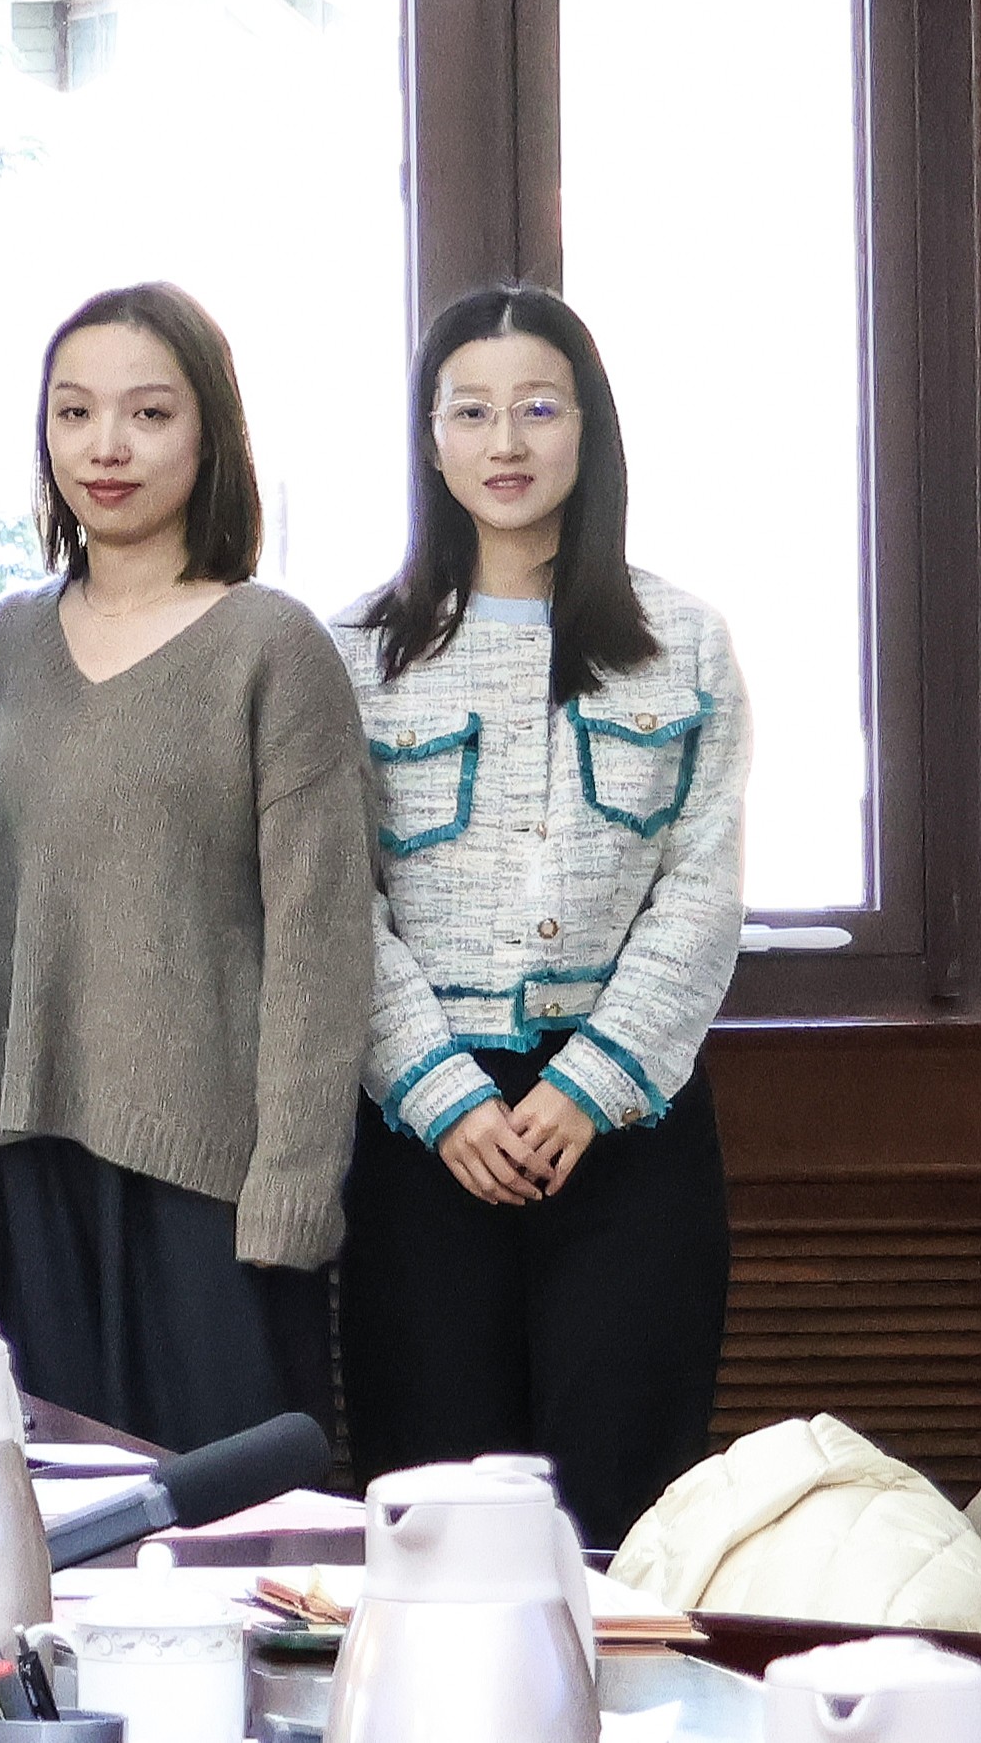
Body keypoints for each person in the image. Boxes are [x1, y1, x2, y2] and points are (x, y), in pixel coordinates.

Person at [0, 282, 376, 1450]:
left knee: (234, 1528)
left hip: (216, 1191)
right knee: (60, 1522)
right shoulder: (7, 639)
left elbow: (323, 945)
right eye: (74, 413)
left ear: (209, 432)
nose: (107, 447)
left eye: (148, 413)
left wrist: (295, 1189)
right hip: (25, 1164)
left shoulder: (273, 646)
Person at [334, 285, 741, 1541]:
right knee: (437, 1512)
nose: (504, 442)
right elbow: (334, 906)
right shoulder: (355, 652)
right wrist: (439, 1094)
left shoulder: (683, 642)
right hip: (423, 1136)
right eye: (471, 412)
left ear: (588, 428)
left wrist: (588, 1085)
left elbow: (702, 890)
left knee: (623, 1509)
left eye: (539, 410)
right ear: (430, 439)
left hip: (627, 1131)